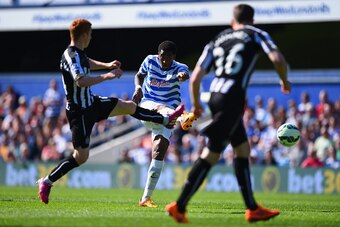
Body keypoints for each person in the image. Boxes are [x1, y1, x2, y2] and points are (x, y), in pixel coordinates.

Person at [36, 18, 184, 204]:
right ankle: (47, 181)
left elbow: (86, 63)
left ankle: (164, 119)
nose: (91, 37)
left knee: (128, 106)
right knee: (81, 157)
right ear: (83, 35)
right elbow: (80, 80)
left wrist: (107, 65)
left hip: (92, 103)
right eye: (90, 34)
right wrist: (107, 75)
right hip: (79, 111)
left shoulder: (79, 54)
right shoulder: (71, 55)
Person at [166, 4, 291, 223]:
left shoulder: (218, 38)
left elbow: (195, 77)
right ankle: (180, 205)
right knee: (212, 153)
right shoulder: (256, 34)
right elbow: (278, 59)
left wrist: (196, 106)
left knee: (242, 149)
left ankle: (252, 208)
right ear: (252, 20)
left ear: (232, 22)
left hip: (215, 96)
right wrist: (284, 80)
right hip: (232, 99)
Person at [132, 40, 190, 208]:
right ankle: (180, 118)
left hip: (167, 114)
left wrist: (182, 77)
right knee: (161, 108)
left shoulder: (180, 67)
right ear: (158, 55)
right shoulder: (150, 60)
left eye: (169, 57)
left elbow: (184, 74)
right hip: (149, 107)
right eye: (162, 57)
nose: (165, 60)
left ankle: (145, 198)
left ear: (174, 57)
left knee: (159, 152)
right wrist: (137, 88)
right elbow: (139, 75)